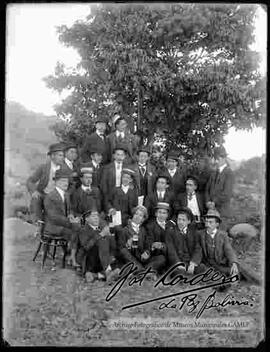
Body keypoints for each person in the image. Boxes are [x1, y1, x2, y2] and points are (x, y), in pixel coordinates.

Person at [43, 169, 81, 268]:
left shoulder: (66, 195)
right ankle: (72, 257)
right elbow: (53, 217)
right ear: (56, 182)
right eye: (63, 181)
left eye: (67, 181)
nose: (66, 183)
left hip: (64, 224)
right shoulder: (50, 196)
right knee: (74, 231)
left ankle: (72, 256)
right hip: (53, 226)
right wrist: (70, 221)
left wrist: (71, 216)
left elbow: (70, 210)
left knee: (79, 229)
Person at [117, 205, 164, 275]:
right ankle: (143, 271)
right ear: (133, 215)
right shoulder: (124, 230)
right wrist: (128, 245)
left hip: (142, 259)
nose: (137, 216)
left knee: (161, 258)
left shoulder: (144, 230)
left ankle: (143, 271)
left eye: (140, 215)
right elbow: (121, 249)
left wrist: (147, 253)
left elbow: (147, 245)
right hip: (131, 259)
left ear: (143, 219)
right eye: (136, 214)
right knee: (125, 253)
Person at [76, 209, 120, 283]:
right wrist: (101, 235)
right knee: (102, 242)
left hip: (101, 260)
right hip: (89, 258)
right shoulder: (83, 230)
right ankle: (108, 272)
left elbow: (113, 247)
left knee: (118, 260)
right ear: (87, 219)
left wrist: (111, 236)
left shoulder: (101, 229)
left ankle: (96, 275)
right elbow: (86, 247)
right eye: (93, 216)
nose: (96, 218)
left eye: (97, 216)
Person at [27, 143, 65, 223]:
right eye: (60, 155)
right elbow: (30, 180)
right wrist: (34, 191)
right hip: (44, 194)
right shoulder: (43, 168)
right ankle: (37, 221)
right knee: (35, 198)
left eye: (63, 155)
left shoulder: (65, 169)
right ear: (52, 156)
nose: (62, 158)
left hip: (58, 196)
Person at [166, 207, 206, 276]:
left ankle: (191, 273)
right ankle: (183, 276)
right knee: (179, 272)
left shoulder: (193, 232)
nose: (180, 222)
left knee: (202, 267)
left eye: (183, 220)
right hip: (177, 262)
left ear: (189, 221)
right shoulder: (170, 232)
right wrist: (178, 263)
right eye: (179, 219)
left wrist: (193, 263)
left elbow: (198, 248)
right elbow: (171, 250)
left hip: (189, 262)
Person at [205, 146, 234, 230]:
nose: (217, 161)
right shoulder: (213, 173)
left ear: (224, 158)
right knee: (210, 234)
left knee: (220, 235)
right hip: (210, 210)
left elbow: (227, 194)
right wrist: (207, 202)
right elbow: (207, 189)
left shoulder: (229, 173)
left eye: (219, 158)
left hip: (222, 211)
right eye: (216, 158)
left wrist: (214, 202)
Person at [145, 202, 175, 272]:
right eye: (159, 212)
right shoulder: (150, 226)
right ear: (156, 213)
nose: (161, 215)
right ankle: (147, 271)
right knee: (161, 259)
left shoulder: (171, 225)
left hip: (169, 253)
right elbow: (148, 241)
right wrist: (153, 245)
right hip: (156, 254)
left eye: (164, 213)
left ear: (167, 215)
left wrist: (164, 246)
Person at [100, 143, 129, 209]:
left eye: (122, 155)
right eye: (117, 154)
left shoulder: (128, 167)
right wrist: (106, 198)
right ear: (114, 156)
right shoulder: (107, 168)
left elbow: (131, 183)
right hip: (110, 194)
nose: (119, 157)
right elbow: (103, 184)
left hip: (123, 194)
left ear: (124, 156)